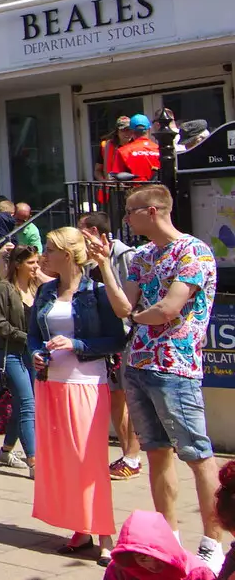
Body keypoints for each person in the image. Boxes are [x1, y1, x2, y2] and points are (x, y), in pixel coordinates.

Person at [101, 184, 226, 571]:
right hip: (138, 364)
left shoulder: (194, 252)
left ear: (153, 212)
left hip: (175, 367)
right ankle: (167, 538)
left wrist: (136, 317)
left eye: (131, 212)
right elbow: (125, 303)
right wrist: (105, 264)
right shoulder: (141, 256)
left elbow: (168, 309)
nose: (126, 219)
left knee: (197, 454)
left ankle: (212, 541)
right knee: (156, 452)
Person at [30, 226, 127, 557]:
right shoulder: (45, 292)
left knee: (91, 461)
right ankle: (81, 528)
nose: (44, 254)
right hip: (50, 383)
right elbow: (32, 335)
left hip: (86, 384)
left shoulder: (96, 292)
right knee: (65, 462)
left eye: (49, 249)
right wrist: (36, 353)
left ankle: (105, 536)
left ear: (67, 255)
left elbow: (116, 340)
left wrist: (76, 343)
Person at [79, 211, 145, 482]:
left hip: (128, 334)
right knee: (116, 397)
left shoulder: (126, 256)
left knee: (132, 397)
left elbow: (134, 299)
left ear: (94, 232)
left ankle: (133, 456)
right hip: (105, 336)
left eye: (81, 230)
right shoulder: (86, 261)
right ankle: (126, 452)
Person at [0, 244, 40, 470]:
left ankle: (6, 450)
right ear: (17, 264)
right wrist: (24, 336)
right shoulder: (3, 288)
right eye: (31, 263)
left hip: (33, 354)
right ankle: (34, 461)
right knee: (28, 404)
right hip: (12, 353)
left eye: (37, 262)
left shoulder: (37, 288)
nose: (36, 267)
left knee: (22, 406)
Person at [103, 509, 219, 580]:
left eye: (158, 558)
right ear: (131, 556)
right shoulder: (120, 570)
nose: (153, 566)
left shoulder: (196, 573)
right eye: (142, 559)